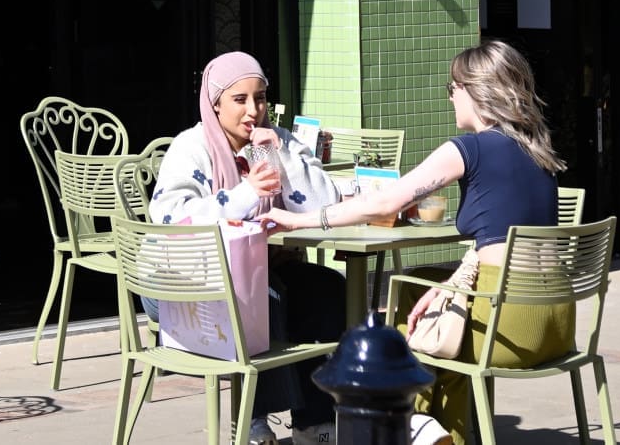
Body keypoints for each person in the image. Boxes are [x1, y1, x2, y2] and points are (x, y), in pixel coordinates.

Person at [270, 42, 569, 443]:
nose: (450, 97)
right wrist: (445, 288)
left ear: (474, 89)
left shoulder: (471, 148)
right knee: (420, 288)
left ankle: (410, 428)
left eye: (452, 88)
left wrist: (303, 219)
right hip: (555, 324)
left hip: (508, 329)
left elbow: (387, 202)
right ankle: (434, 430)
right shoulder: (538, 153)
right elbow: (500, 241)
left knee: (400, 321)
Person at [149, 51, 343, 445]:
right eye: (240, 100)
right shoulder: (191, 148)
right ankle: (254, 422)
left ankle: (314, 423)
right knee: (265, 300)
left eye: (260, 98)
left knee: (329, 291)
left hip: (262, 271)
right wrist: (246, 193)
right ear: (215, 103)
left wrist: (282, 156)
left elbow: (327, 204)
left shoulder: (277, 141)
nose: (253, 110)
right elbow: (169, 217)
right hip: (185, 282)